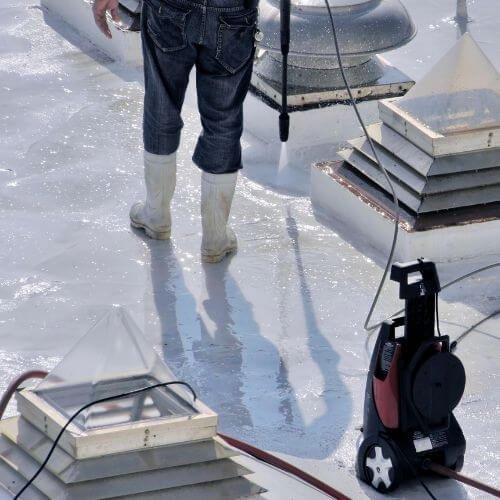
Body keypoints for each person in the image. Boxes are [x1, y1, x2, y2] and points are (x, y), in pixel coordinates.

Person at [92, 0, 258, 262]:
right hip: (233, 12)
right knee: (223, 120)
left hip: (170, 6)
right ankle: (215, 237)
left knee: (161, 103)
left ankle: (156, 215)